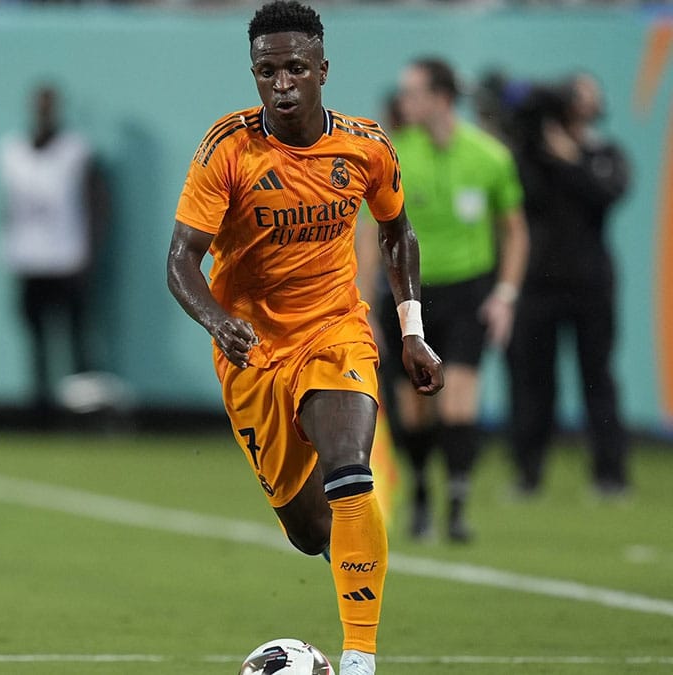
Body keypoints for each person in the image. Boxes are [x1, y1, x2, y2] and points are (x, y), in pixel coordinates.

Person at [165, 3, 443, 673]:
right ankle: (339, 560)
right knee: (309, 526)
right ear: (254, 74)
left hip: (335, 330)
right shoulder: (226, 149)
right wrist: (218, 320)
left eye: (294, 68)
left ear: (323, 69)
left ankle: (359, 658)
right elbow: (180, 261)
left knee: (351, 467)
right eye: (267, 72)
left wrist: (411, 329)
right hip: (253, 350)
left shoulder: (367, 145)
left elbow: (397, 230)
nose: (281, 84)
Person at [390, 57, 529, 542]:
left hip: (469, 292)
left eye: (413, 91)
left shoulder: (489, 156)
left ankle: (456, 506)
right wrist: (364, 295)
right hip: (410, 295)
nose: (404, 100)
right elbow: (375, 235)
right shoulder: (395, 154)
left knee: (459, 404)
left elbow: (514, 231)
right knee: (415, 410)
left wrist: (505, 295)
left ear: (441, 97)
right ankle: (422, 493)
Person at [507, 73, 630, 497]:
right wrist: (542, 148)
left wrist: (571, 159)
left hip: (592, 283)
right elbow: (520, 192)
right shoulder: (533, 155)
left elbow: (609, 194)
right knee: (534, 383)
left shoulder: (605, 153)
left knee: (598, 378)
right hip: (539, 283)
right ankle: (527, 474)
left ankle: (610, 475)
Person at [0, 84, 108, 422]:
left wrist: (90, 253)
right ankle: (41, 412)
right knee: (37, 343)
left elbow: (95, 204)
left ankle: (82, 413)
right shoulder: (11, 151)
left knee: (77, 342)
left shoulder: (76, 151)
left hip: (68, 260)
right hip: (29, 260)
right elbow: (7, 206)